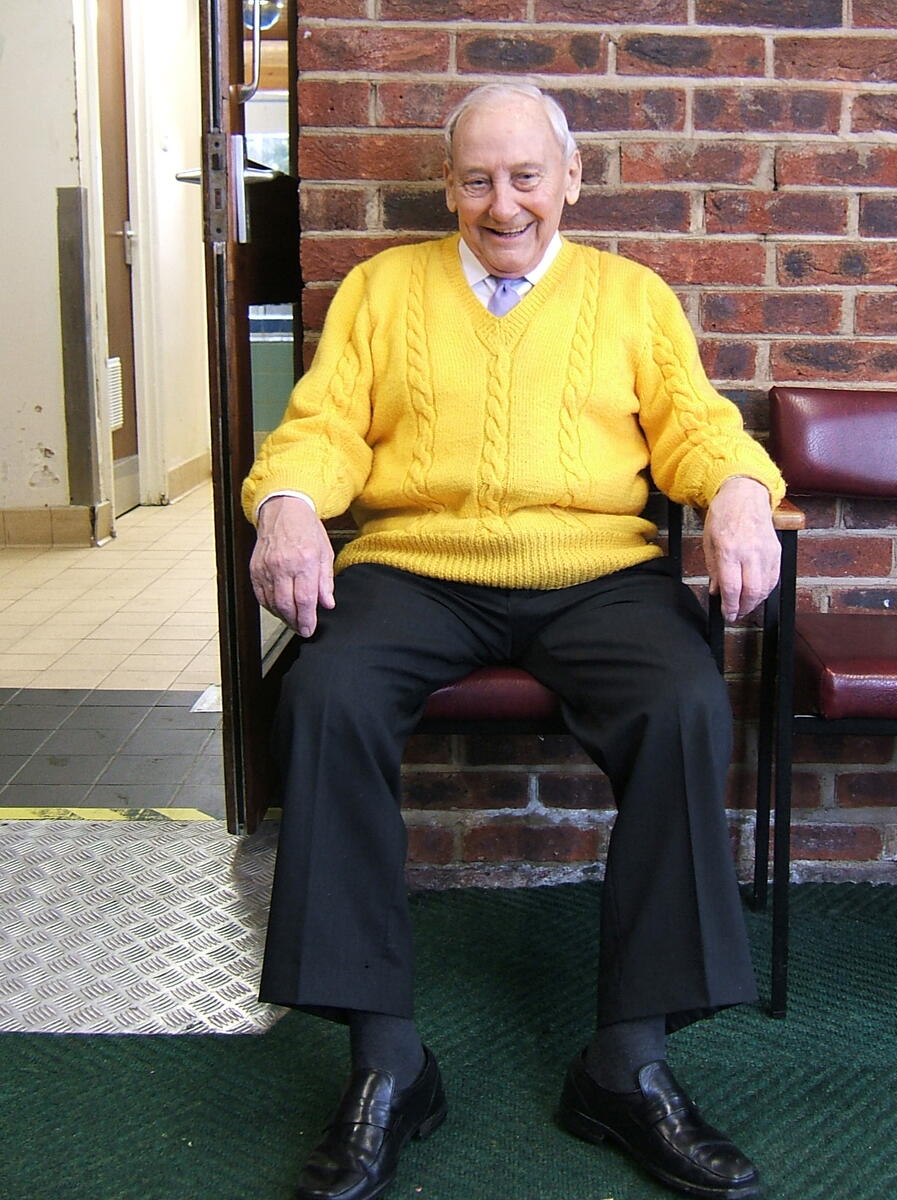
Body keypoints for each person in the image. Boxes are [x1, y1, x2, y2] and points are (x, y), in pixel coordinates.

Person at [243, 81, 785, 1200]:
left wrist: (735, 489)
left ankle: (627, 1064)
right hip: (418, 567)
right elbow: (324, 424)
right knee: (322, 695)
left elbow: (694, 422)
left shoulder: (629, 296)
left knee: (684, 700)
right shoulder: (382, 289)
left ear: (570, 181)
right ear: (448, 187)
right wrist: (287, 504)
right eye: (479, 179)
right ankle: (388, 1062)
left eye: (526, 176)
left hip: (597, 573)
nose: (503, 204)